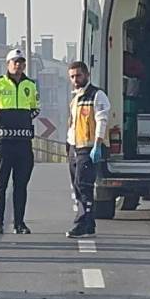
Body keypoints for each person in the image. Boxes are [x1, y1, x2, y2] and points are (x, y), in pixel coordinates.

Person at [0, 48, 39, 234]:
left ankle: (19, 223)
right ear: (8, 64)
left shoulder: (30, 85)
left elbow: (36, 108)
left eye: (21, 62)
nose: (18, 65)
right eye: (15, 62)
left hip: (23, 142)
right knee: (0, 183)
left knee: (21, 185)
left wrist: (23, 118)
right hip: (3, 142)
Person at [65, 61, 110, 238]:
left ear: (86, 75)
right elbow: (73, 124)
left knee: (83, 185)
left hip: (88, 146)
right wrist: (69, 144)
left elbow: (102, 120)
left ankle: (81, 223)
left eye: (78, 75)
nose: (75, 80)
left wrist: (98, 144)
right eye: (72, 77)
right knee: (77, 185)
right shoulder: (76, 98)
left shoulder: (97, 95)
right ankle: (89, 224)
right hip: (74, 146)